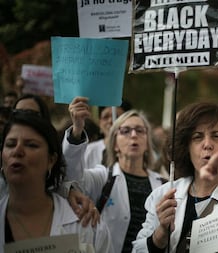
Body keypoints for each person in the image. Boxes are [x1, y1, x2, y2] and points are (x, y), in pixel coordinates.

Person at [132, 102, 218, 253]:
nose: (207, 144)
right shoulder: (164, 195)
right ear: (187, 147)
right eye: (197, 137)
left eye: (216, 136)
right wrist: (159, 237)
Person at [63, 96, 165, 253]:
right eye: (125, 131)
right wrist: (77, 130)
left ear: (147, 142)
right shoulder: (103, 178)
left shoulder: (163, 185)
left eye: (139, 130)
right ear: (115, 143)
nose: (133, 135)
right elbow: (70, 178)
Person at [0, 111, 113, 252]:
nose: (17, 151)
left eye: (31, 145)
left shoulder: (87, 223)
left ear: (51, 160)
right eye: (10, 144)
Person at [83, 100, 131, 168]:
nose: (110, 121)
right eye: (105, 117)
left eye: (117, 117)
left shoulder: (136, 149)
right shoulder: (88, 151)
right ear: (99, 123)